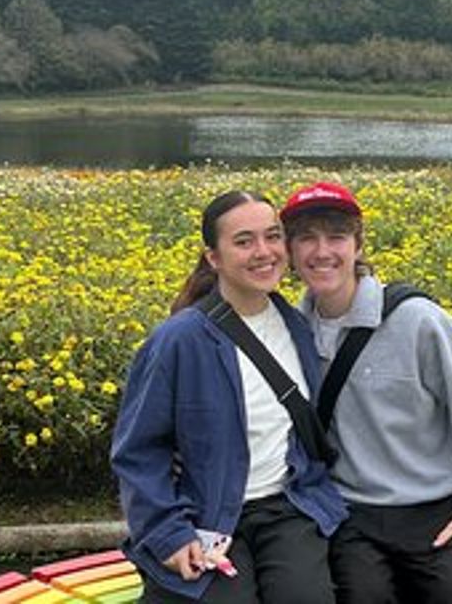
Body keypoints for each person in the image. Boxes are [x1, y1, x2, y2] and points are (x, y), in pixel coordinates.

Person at [111, 189, 347, 603]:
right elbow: (138, 451)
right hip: (207, 512)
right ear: (213, 257)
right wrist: (168, 533)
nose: (264, 252)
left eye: (273, 236)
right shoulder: (178, 340)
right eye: (243, 241)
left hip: (288, 507)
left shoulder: (297, 326)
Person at [281, 181, 452, 604]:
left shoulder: (420, 321)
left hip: (434, 510)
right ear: (291, 253)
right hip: (349, 514)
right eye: (306, 238)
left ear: (358, 244)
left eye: (336, 236)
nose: (322, 251)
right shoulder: (289, 331)